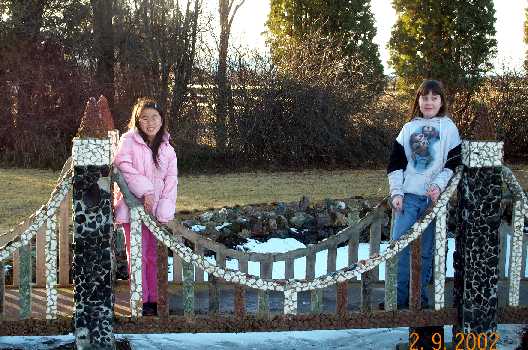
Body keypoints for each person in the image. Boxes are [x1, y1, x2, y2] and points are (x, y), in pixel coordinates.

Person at [387, 79, 461, 308]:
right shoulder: (408, 128)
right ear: (418, 100)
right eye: (425, 97)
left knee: (426, 253)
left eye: (434, 98)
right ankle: (399, 300)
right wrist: (397, 193)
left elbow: (453, 164)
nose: (429, 102)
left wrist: (438, 185)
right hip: (408, 198)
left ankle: (419, 300)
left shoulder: (448, 128)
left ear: (441, 101)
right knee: (399, 246)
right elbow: (395, 164)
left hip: (432, 201)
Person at [113, 97, 178, 316]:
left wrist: (163, 210)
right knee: (137, 253)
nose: (150, 122)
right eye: (144, 118)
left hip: (155, 211)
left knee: (152, 254)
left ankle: (153, 300)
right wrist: (146, 191)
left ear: (162, 120)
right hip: (132, 207)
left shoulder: (168, 150)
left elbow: (171, 182)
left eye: (154, 117)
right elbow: (123, 166)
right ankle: (140, 299)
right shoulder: (128, 141)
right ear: (137, 120)